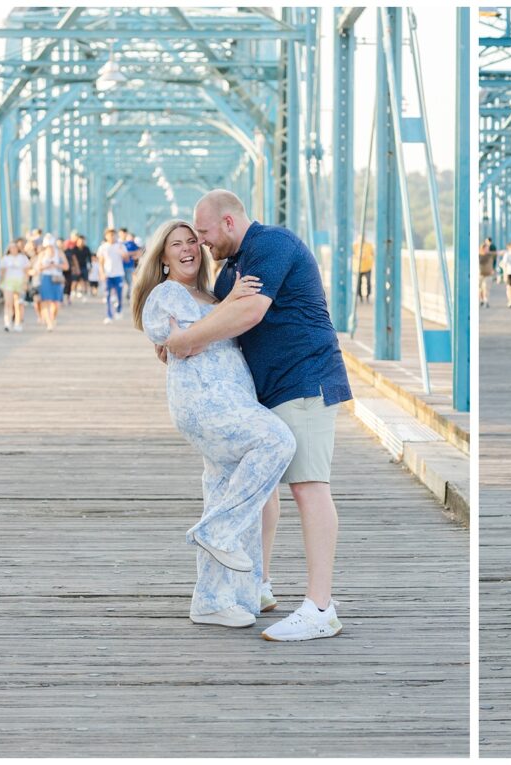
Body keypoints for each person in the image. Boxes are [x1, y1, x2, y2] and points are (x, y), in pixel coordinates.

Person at [165, 189, 353, 642]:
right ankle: (258, 583)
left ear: (229, 222)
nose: (202, 244)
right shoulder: (232, 269)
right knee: (263, 489)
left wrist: (185, 342)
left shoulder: (271, 244)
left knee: (309, 488)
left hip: (303, 378)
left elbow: (249, 312)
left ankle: (320, 607)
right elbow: (211, 317)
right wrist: (177, 337)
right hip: (263, 391)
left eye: (205, 233)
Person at [132, 219, 296, 628]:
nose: (188, 248)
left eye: (193, 241)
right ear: (163, 258)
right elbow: (184, 342)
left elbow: (208, 330)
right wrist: (228, 306)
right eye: (177, 244)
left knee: (226, 490)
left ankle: (213, 599)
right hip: (203, 402)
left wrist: (227, 302)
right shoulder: (167, 294)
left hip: (231, 400)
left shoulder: (210, 292)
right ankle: (217, 531)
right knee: (277, 441)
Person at [33, 236, 68, 331]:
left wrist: (56, 265)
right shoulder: (42, 254)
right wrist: (46, 266)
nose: (50, 247)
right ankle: (49, 322)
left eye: (51, 245)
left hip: (56, 278)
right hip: (45, 278)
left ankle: (52, 318)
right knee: (45, 300)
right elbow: (38, 268)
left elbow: (66, 266)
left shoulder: (59, 253)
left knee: (56, 302)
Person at [0, 240, 30, 332]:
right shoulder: (5, 258)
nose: (13, 249)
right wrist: (1, 283)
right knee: (8, 303)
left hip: (20, 281)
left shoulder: (23, 258)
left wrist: (25, 283)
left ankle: (18, 323)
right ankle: (7, 322)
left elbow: (26, 271)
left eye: (15, 247)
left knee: (18, 303)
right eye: (11, 247)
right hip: (8, 282)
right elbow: (2, 272)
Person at [97, 228, 126, 323]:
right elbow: (101, 261)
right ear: (106, 236)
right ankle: (109, 315)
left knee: (119, 294)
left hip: (118, 274)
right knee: (108, 295)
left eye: (113, 235)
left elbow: (126, 259)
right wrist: (102, 273)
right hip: (108, 274)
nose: (112, 237)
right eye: (109, 235)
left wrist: (123, 253)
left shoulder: (120, 246)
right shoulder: (103, 247)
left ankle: (119, 309)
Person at [353, 235, 374, 303]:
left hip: (367, 267)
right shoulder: (356, 245)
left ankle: (368, 296)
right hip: (358, 268)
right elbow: (352, 254)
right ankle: (360, 297)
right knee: (359, 283)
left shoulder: (369, 245)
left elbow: (373, 254)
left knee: (368, 282)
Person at [479, 238, 496, 308]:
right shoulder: (479, 255)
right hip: (480, 275)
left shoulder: (491, 255)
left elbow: (497, 252)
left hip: (488, 274)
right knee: (480, 289)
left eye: (487, 248)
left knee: (486, 287)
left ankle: (486, 300)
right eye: (485, 248)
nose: (487, 250)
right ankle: (482, 299)